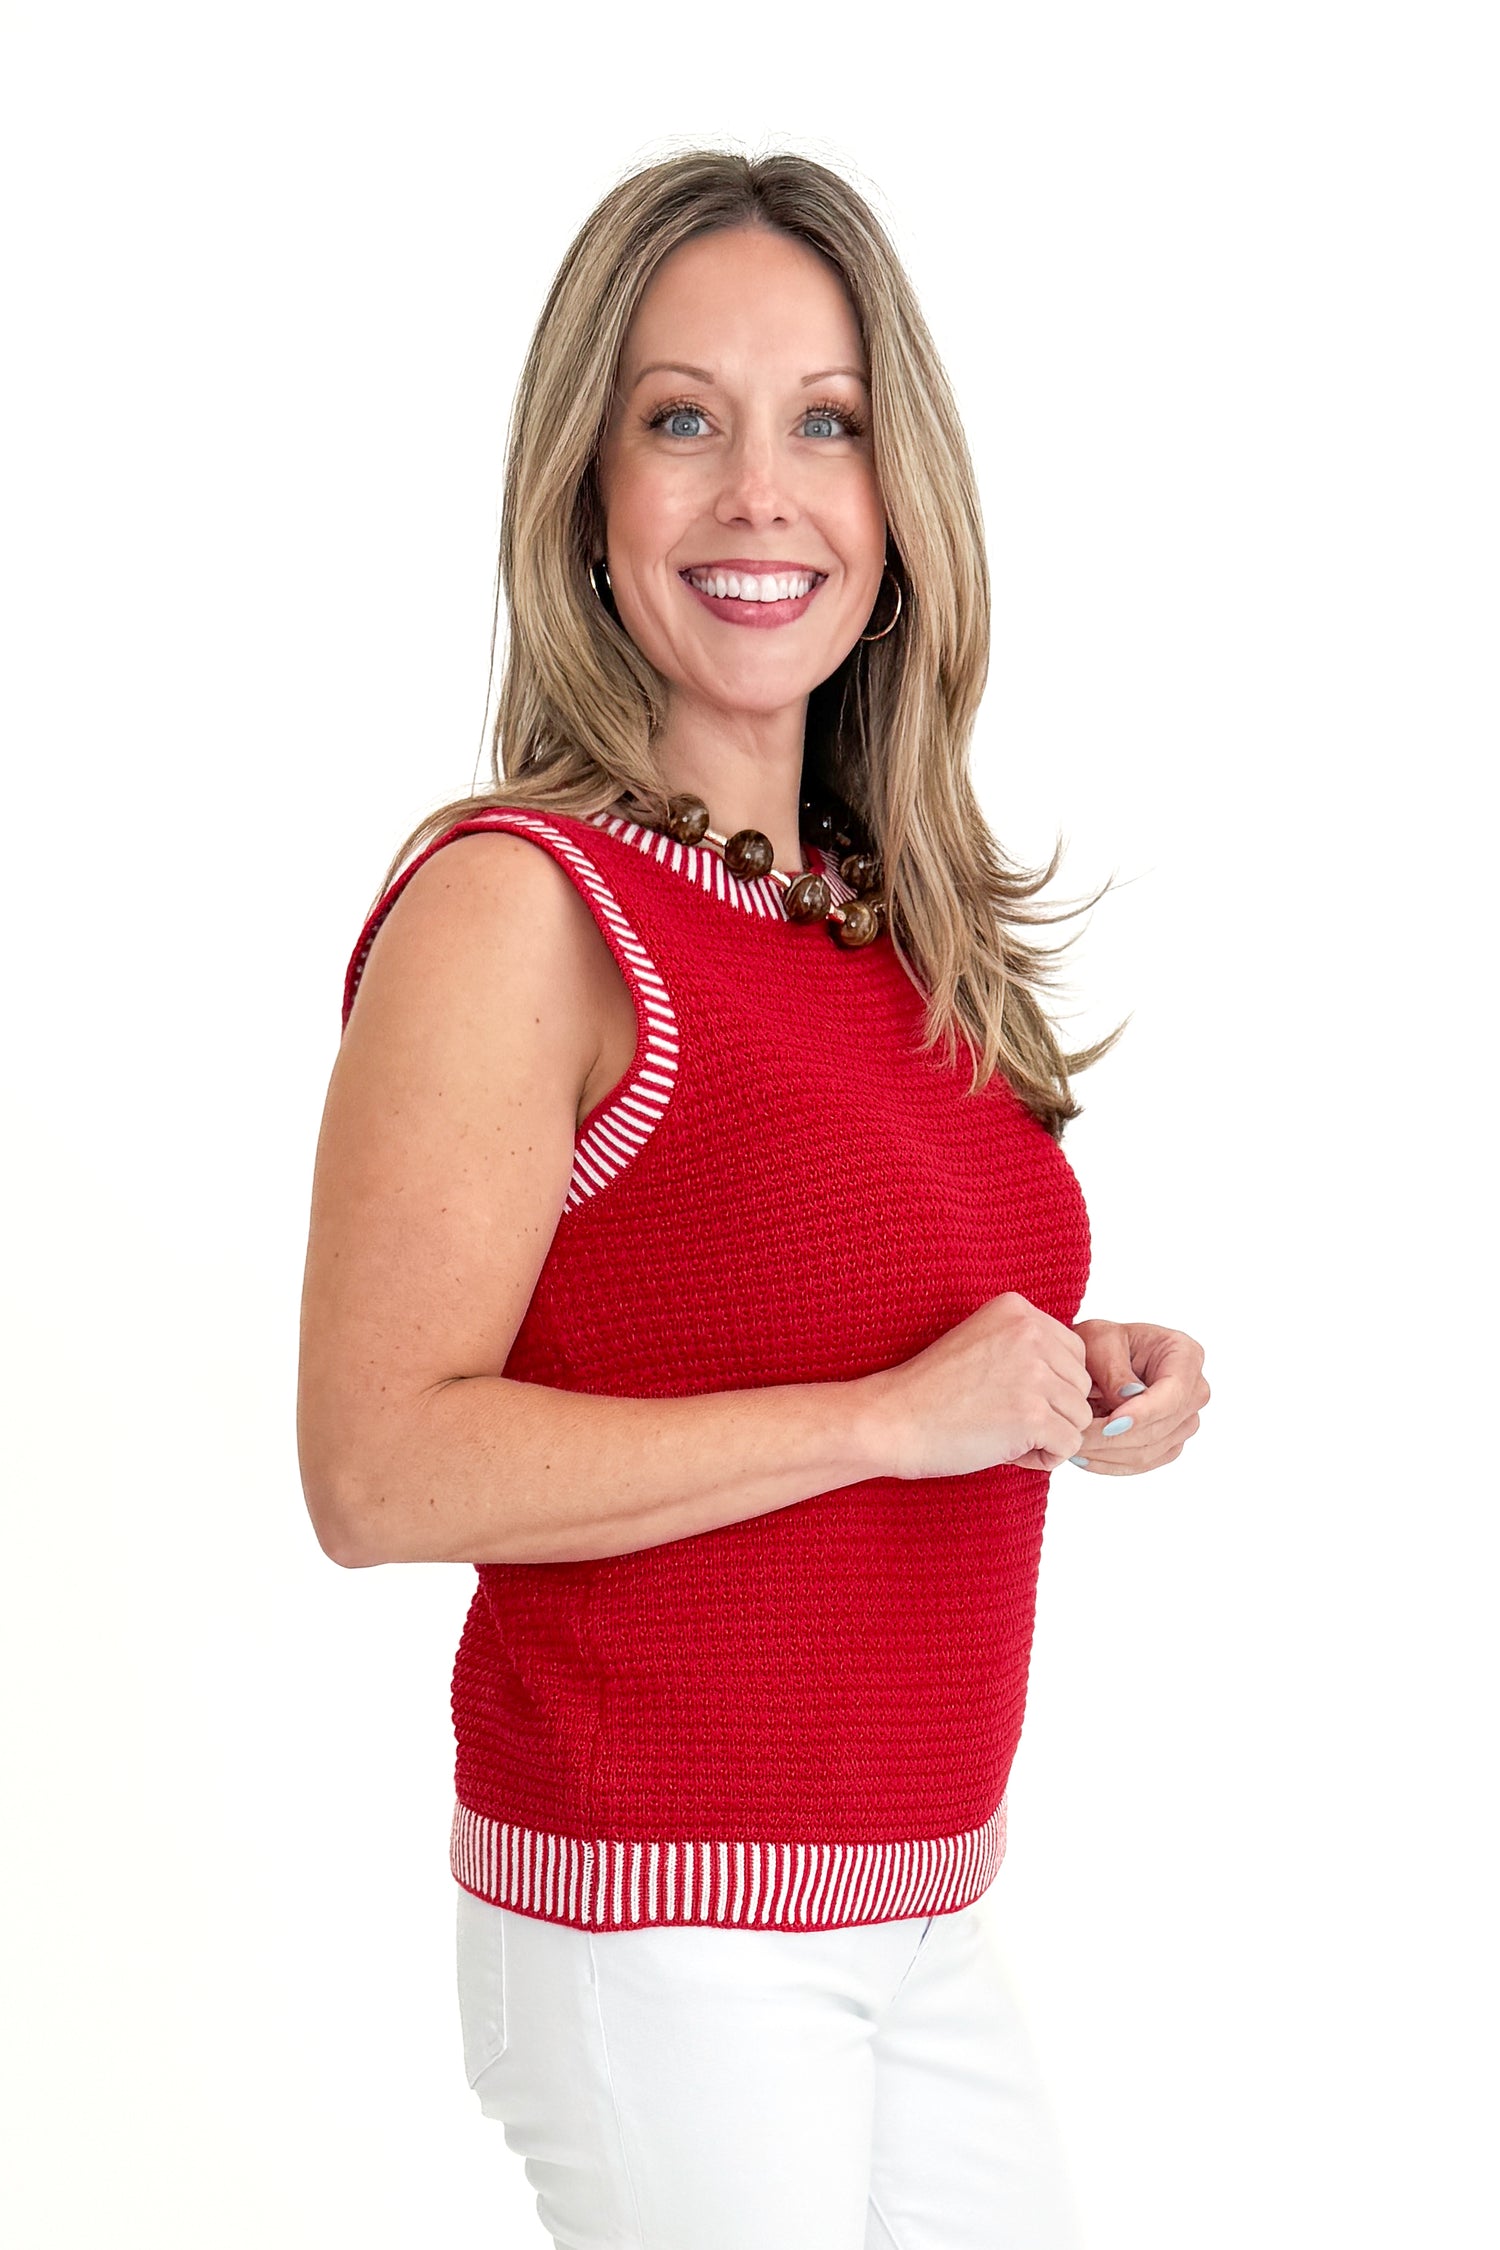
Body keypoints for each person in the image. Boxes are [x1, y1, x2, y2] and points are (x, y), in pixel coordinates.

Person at [297, 147, 1210, 2250]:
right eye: (680, 419)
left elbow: (782, 1301)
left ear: (902, 507)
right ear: (585, 495)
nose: (759, 494)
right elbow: (373, 1465)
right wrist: (889, 1422)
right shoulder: (522, 908)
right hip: (662, 1930)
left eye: (827, 423)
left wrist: (1069, 1379)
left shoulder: (883, 926)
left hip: (912, 1907)